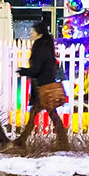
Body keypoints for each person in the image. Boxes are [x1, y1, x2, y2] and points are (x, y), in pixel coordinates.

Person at [13, 18, 68, 150]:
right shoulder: (46, 45)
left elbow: (36, 68)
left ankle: (63, 142)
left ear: (39, 33)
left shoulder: (40, 47)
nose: (31, 33)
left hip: (42, 86)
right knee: (40, 113)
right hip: (44, 84)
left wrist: (24, 71)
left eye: (33, 31)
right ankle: (22, 140)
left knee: (48, 113)